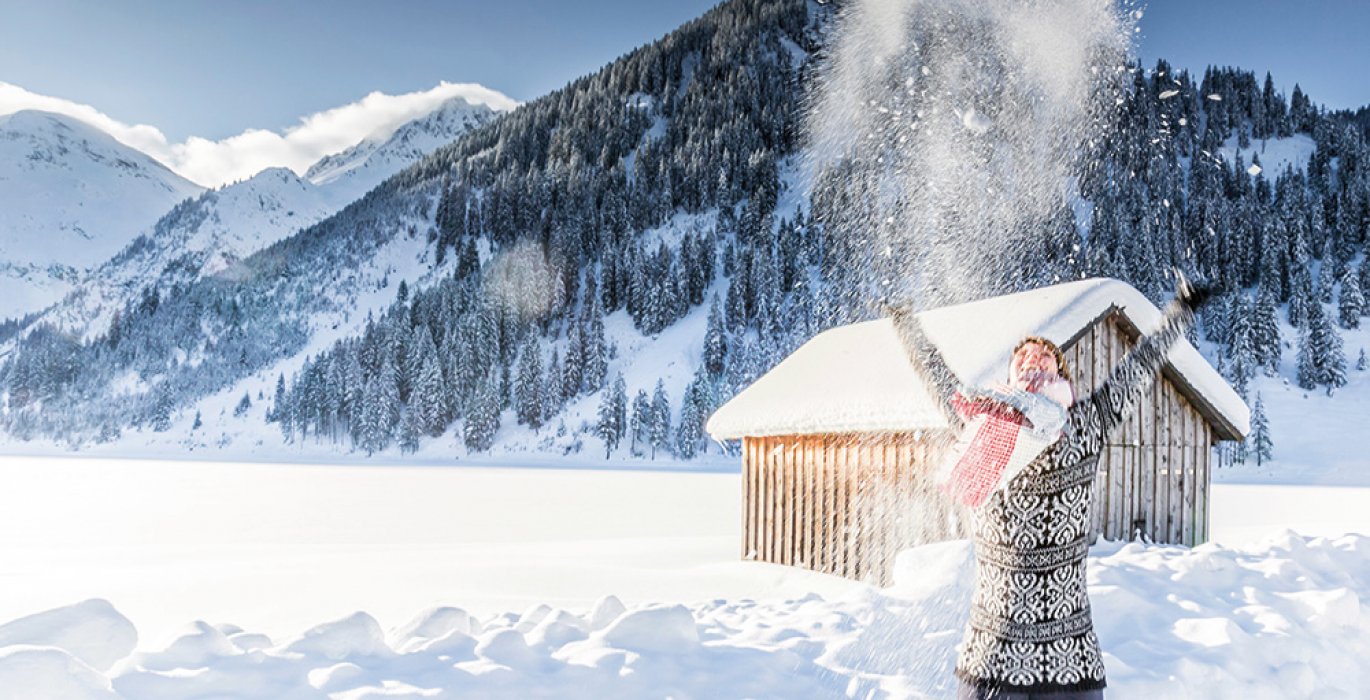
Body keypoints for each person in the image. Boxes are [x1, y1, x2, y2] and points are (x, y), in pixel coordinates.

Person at [892, 275, 1209, 699]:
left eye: (1045, 356)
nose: (1033, 359)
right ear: (1009, 374)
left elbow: (1139, 366)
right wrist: (904, 323)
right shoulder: (981, 424)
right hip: (992, 658)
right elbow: (936, 377)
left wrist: (1179, 313)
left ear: (1061, 371)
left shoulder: (1086, 424)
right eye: (1022, 357)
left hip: (1070, 664)